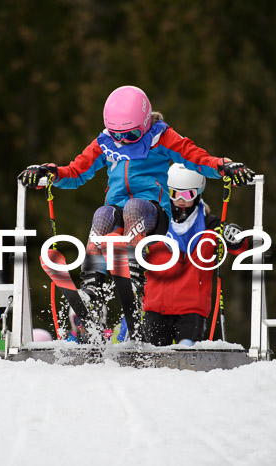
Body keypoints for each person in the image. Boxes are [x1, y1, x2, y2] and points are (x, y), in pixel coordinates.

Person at [18, 85, 254, 340]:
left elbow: (195, 158)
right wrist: (50, 172)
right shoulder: (106, 142)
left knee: (134, 206)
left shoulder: (161, 137)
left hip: (154, 213)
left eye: (130, 135)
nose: (122, 141)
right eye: (116, 134)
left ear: (144, 123)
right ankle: (92, 291)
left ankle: (133, 276)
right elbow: (76, 172)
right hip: (120, 214)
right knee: (103, 214)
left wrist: (224, 166)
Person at [142, 163, 248, 346]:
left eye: (188, 194)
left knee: (187, 355)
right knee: (154, 362)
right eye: (176, 194)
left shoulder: (210, 225)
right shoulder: (156, 221)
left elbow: (240, 250)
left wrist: (236, 239)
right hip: (156, 306)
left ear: (198, 193)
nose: (181, 200)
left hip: (191, 307)